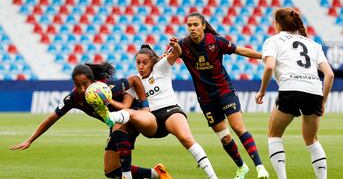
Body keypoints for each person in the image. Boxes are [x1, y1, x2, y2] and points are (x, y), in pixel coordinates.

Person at [9, 62, 171, 179]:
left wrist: (144, 106)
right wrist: (30, 140)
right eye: (77, 85)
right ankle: (157, 174)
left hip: (133, 116)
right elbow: (52, 118)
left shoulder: (106, 88)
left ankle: (126, 176)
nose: (82, 89)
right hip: (113, 122)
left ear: (92, 81)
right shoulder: (74, 98)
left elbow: (135, 80)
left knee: (117, 128)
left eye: (85, 84)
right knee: (111, 171)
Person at [173, 12, 269, 179]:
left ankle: (260, 167)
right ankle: (242, 167)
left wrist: (264, 57)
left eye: (195, 24)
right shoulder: (183, 45)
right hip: (206, 99)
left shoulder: (215, 41)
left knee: (238, 128)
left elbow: (240, 50)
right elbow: (166, 59)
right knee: (224, 138)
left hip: (224, 91)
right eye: (189, 25)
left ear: (203, 25)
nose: (192, 28)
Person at [109, 42, 218, 179]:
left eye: (145, 62)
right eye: (138, 62)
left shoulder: (160, 67)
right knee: (130, 114)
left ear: (152, 62)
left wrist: (176, 45)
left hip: (171, 111)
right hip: (151, 121)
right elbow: (125, 105)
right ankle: (112, 118)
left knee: (186, 138)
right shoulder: (134, 81)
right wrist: (109, 100)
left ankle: (213, 177)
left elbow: (177, 52)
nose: (141, 66)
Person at [255, 8, 334, 179]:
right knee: (312, 140)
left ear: (277, 24)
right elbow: (329, 74)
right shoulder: (314, 44)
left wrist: (262, 90)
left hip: (290, 88)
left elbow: (269, 66)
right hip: (313, 91)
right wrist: (323, 100)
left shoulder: (273, 41)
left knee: (274, 135)